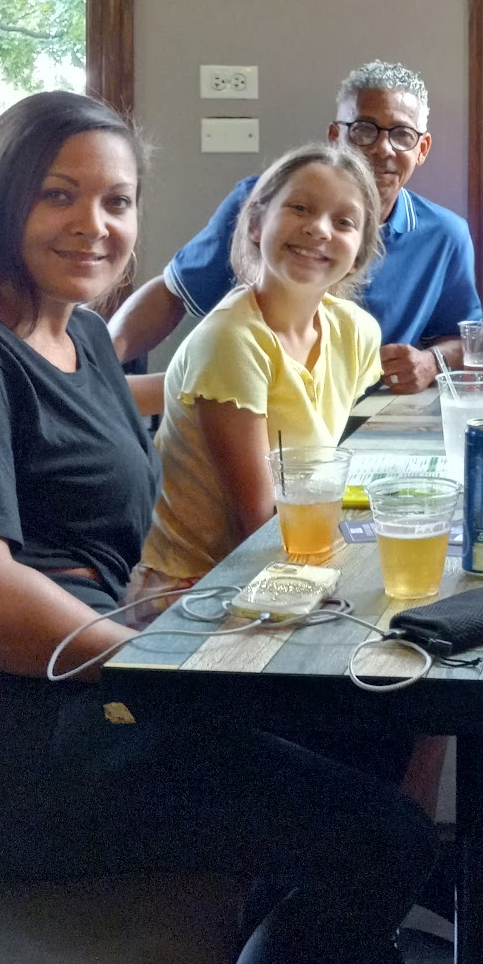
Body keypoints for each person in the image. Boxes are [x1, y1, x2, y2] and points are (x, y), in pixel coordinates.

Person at [0, 91, 435, 964]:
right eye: (60, 195)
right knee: (386, 842)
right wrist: (150, 656)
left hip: (69, 708)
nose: (96, 224)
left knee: (366, 736)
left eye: (117, 201)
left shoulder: (73, 334)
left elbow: (125, 411)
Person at [110, 60, 479, 407]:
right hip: (258, 403)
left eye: (402, 135)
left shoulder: (443, 237)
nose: (383, 148)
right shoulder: (262, 203)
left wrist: (432, 361)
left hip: (371, 418)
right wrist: (98, 367)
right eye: (364, 129)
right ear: (335, 136)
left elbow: (469, 339)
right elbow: (176, 292)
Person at [127, 140, 383, 614]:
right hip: (194, 587)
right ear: (256, 223)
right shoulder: (232, 339)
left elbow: (313, 479)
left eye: (344, 221)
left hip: (279, 563)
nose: (319, 229)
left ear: (361, 250)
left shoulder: (355, 331)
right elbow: (258, 525)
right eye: (300, 208)